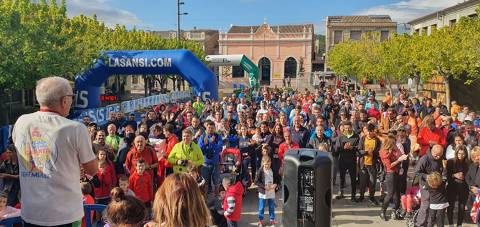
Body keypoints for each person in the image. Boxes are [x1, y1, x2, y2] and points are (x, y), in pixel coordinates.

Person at [12, 77, 98, 226]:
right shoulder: (75, 129)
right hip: (64, 215)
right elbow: (92, 169)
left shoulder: (21, 122)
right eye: (72, 97)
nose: (72, 101)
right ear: (64, 100)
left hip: (30, 212)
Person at [379, 135, 408, 221]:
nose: (395, 144)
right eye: (394, 143)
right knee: (390, 193)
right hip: (390, 173)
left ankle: (396, 210)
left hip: (397, 171)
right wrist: (399, 160)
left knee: (397, 192)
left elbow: (400, 154)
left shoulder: (394, 148)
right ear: (389, 144)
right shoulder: (384, 152)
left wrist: (402, 156)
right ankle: (382, 211)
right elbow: (389, 166)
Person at [414, 144, 444, 227]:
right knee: (426, 204)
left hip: (435, 184)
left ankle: (430, 222)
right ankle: (420, 223)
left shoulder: (440, 158)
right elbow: (416, 172)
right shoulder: (424, 159)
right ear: (432, 151)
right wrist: (427, 177)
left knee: (433, 204)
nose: (438, 157)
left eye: (440, 155)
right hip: (425, 184)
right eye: (436, 155)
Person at [334, 121, 360, 202]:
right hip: (342, 160)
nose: (347, 129)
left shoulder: (356, 136)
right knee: (341, 178)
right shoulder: (340, 137)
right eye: (345, 128)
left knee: (353, 178)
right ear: (343, 128)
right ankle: (341, 193)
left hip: (352, 160)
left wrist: (352, 147)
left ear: (351, 127)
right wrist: (344, 148)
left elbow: (359, 148)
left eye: (349, 127)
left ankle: (353, 195)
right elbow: (337, 149)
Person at [357, 124, 381, 204]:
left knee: (372, 181)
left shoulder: (377, 140)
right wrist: (367, 152)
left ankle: (371, 197)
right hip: (363, 164)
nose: (369, 133)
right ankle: (361, 196)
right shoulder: (363, 138)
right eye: (368, 131)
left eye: (371, 131)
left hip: (373, 164)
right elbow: (359, 150)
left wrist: (373, 153)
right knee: (362, 181)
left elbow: (379, 152)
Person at [198, 121, 223, 196]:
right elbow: (200, 151)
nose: (210, 129)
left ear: (215, 128)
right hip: (205, 164)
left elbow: (220, 148)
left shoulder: (218, 136)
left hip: (215, 164)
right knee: (205, 183)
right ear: (206, 128)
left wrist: (212, 143)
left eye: (212, 128)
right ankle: (205, 199)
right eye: (209, 128)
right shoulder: (202, 137)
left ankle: (216, 197)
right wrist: (205, 145)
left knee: (216, 182)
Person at [446, 145, 469, 227]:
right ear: (456, 153)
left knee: (462, 207)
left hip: (464, 187)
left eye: (463, 154)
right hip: (452, 186)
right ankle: (451, 224)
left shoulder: (468, 162)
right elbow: (446, 175)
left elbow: (470, 176)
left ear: (466, 154)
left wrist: (465, 177)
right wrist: (454, 175)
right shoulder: (450, 162)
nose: (461, 156)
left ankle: (459, 224)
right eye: (459, 153)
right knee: (450, 206)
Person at [255, 157, 280, 227]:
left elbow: (278, 178)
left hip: (271, 192)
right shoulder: (260, 170)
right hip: (263, 192)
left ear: (270, 163)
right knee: (261, 207)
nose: (267, 166)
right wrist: (264, 186)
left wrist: (275, 184)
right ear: (263, 163)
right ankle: (260, 221)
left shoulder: (273, 170)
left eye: (268, 164)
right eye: (265, 164)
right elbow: (256, 181)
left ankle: (272, 220)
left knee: (271, 207)